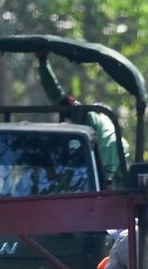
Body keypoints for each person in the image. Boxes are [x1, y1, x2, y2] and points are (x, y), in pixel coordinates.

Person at [35, 51, 130, 188]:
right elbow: (123, 183)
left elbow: (58, 97)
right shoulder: (122, 145)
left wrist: (43, 64)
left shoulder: (92, 117)